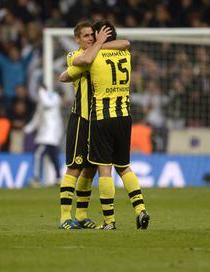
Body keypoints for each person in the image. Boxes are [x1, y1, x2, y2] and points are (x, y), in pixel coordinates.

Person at [68, 20, 150, 230]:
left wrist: (96, 45)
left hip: (102, 118)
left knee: (104, 169)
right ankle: (140, 209)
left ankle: (109, 221)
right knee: (124, 167)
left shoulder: (93, 57)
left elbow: (77, 64)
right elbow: (125, 43)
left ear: (100, 36)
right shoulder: (125, 54)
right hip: (125, 117)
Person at [58, 21, 130, 230]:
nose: (90, 38)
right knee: (75, 167)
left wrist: (99, 45)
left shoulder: (98, 51)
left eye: (93, 35)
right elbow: (84, 60)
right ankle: (64, 217)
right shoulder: (75, 56)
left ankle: (81, 215)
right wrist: (97, 45)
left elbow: (125, 42)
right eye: (86, 36)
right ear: (77, 39)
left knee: (89, 170)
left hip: (99, 120)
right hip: (81, 118)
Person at [24, 85, 63, 187]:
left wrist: (41, 92)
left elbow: (47, 104)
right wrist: (27, 129)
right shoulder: (41, 104)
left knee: (38, 154)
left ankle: (36, 179)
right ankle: (58, 178)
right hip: (46, 136)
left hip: (50, 135)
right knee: (53, 157)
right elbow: (36, 119)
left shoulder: (54, 98)